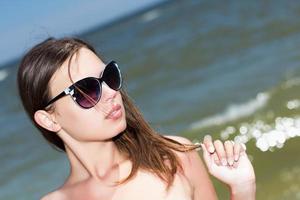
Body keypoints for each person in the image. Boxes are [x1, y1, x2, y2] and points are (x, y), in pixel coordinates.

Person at [17, 37, 256, 200]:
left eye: (109, 77)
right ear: (49, 119)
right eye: (87, 90)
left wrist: (242, 189)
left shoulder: (174, 156)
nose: (111, 93)